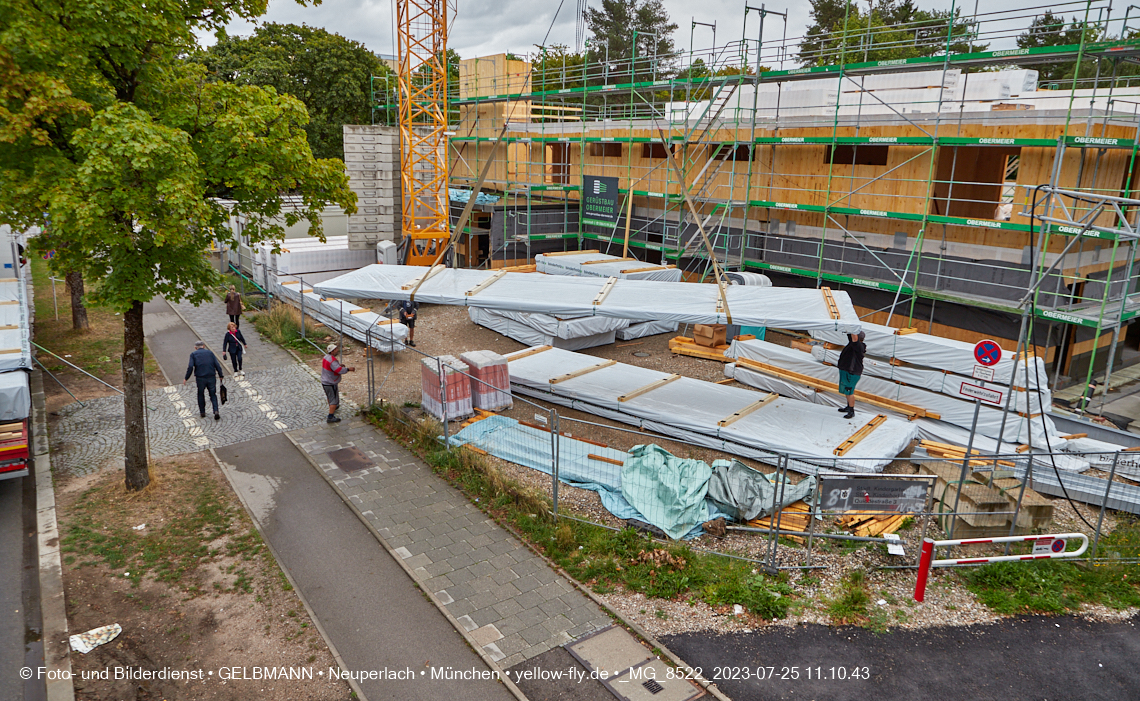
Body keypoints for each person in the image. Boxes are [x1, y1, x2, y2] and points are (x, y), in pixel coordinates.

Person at [183, 340, 226, 420]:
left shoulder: (193, 354)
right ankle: (216, 411)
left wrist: (186, 378)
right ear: (204, 346)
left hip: (200, 378)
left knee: (200, 394)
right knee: (213, 394)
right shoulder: (210, 353)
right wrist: (221, 375)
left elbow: (190, 367)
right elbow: (217, 364)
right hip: (211, 377)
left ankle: (202, 412)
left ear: (195, 348)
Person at [836, 331, 867, 420]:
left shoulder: (858, 346)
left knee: (849, 391)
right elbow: (851, 336)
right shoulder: (852, 344)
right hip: (846, 370)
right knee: (846, 390)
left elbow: (854, 338)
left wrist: (854, 328)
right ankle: (848, 407)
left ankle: (851, 411)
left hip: (852, 372)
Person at [321, 343, 355, 423]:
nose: (337, 350)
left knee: (330, 397)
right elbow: (338, 370)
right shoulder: (333, 360)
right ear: (332, 351)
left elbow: (331, 366)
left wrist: (338, 365)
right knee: (334, 400)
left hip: (325, 381)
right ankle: (330, 416)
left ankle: (332, 407)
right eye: (335, 349)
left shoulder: (326, 357)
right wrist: (348, 369)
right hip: (330, 382)